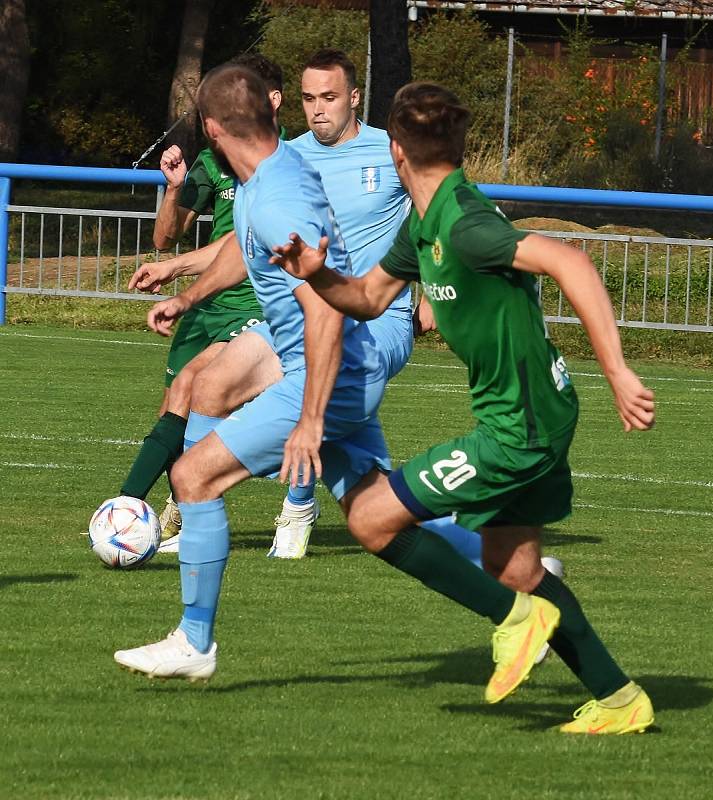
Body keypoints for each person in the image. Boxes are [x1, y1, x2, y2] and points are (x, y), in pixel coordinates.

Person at [114, 66, 567, 717]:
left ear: (212, 129)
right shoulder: (276, 175)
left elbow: (323, 312)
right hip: (337, 369)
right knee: (374, 508)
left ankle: (194, 640)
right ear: (272, 113)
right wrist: (188, 296)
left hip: (326, 372)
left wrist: (309, 419)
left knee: (193, 476)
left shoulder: (275, 195)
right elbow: (255, 249)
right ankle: (530, 587)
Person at [269, 82, 657, 734]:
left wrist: (617, 369)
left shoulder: (466, 225)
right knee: (515, 567)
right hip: (536, 413)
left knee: (368, 518)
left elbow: (570, 261)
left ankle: (515, 619)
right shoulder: (424, 221)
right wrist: (315, 271)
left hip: (518, 428)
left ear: (394, 149)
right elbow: (366, 297)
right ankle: (619, 700)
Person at [131, 49, 417, 558]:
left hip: (369, 326)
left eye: (329, 97)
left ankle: (281, 511)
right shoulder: (286, 161)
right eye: (309, 99)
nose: (318, 109)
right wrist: (187, 292)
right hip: (312, 331)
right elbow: (251, 244)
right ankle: (505, 562)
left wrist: (433, 280)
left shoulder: (384, 152)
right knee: (209, 385)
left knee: (212, 464)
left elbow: (436, 211)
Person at [116, 53, 284, 542]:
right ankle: (172, 505)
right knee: (173, 404)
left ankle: (126, 509)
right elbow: (165, 239)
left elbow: (243, 247)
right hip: (206, 301)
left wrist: (174, 271)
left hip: (254, 304)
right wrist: (173, 189)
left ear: (271, 100)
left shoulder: (284, 162)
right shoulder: (213, 161)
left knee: (193, 389)